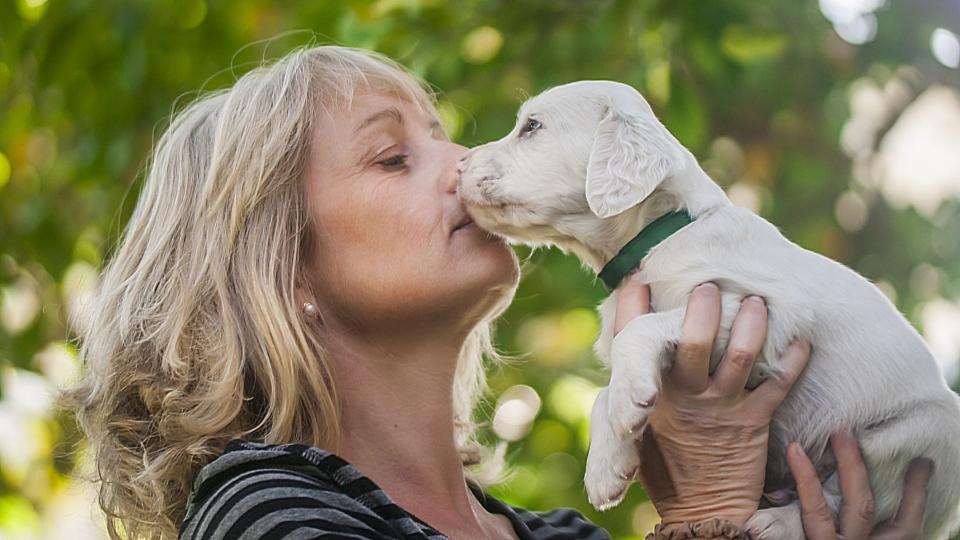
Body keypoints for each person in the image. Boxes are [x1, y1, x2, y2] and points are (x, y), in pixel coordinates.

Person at [62, 45, 931, 540]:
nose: (464, 164)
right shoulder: (270, 516)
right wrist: (705, 515)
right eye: (395, 157)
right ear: (282, 272)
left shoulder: (563, 539)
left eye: (446, 138)